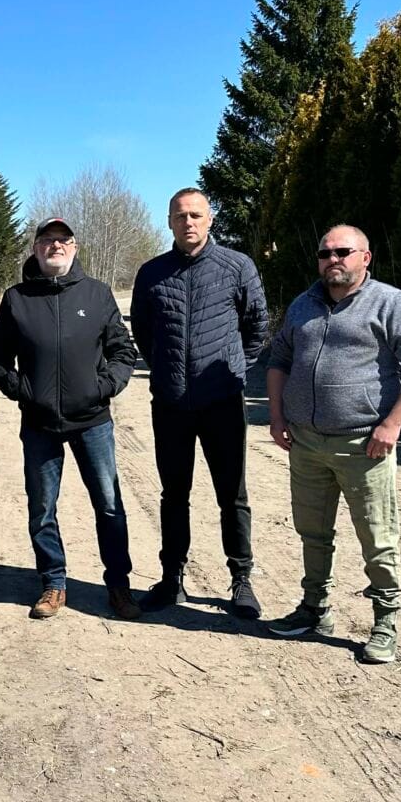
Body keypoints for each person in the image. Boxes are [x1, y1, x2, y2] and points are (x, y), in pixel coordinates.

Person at [265, 224, 401, 664]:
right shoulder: (303, 305)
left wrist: (393, 424)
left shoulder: (392, 303)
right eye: (324, 253)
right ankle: (314, 608)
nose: (332, 259)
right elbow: (280, 360)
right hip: (305, 443)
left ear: (366, 257)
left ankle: (385, 621)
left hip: (365, 445)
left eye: (343, 251)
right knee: (312, 533)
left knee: (377, 539)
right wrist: (276, 416)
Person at [0, 217, 142, 621]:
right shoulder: (16, 298)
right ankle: (53, 583)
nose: (55, 246)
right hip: (39, 424)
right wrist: (25, 393)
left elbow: (123, 352)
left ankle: (119, 587)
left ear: (75, 248)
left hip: (93, 421)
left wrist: (104, 386)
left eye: (63, 240)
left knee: (109, 506)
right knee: (42, 508)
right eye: (47, 240)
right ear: (35, 248)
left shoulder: (97, 294)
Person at [130, 188, 269, 618]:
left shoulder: (236, 266)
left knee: (233, 495)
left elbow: (257, 325)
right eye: (179, 216)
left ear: (209, 220)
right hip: (170, 403)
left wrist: (232, 368)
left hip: (221, 403)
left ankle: (241, 580)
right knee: (174, 494)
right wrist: (168, 370)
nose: (188, 222)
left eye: (196, 215)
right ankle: (172, 578)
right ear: (169, 222)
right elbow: (143, 331)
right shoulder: (152, 273)